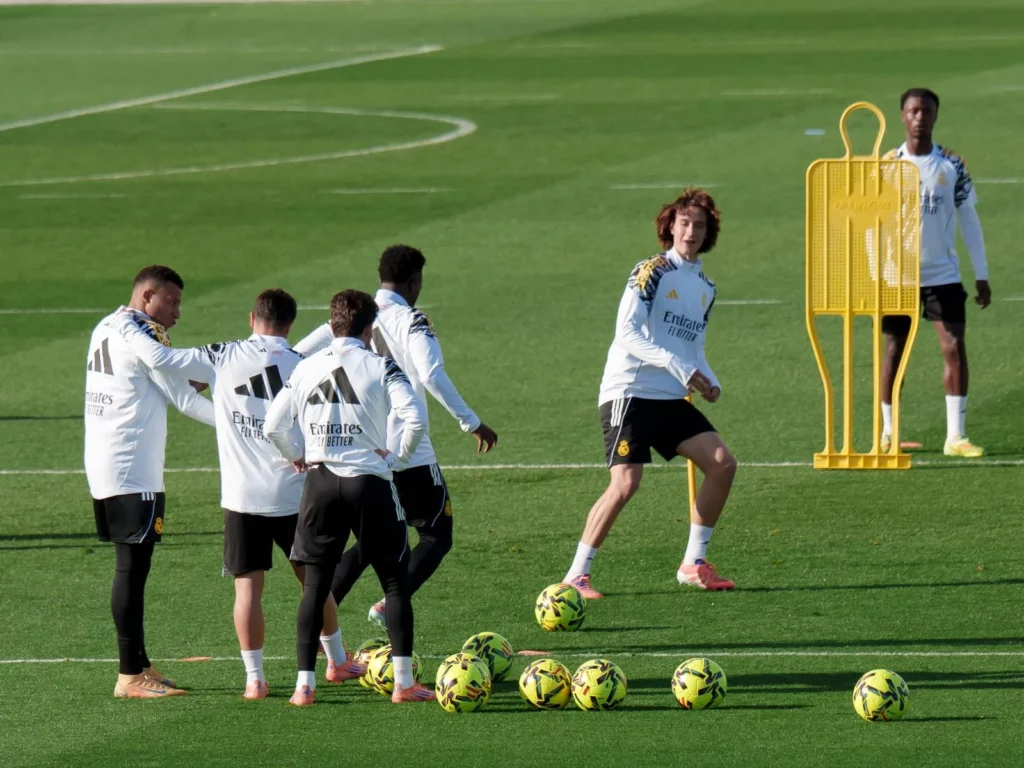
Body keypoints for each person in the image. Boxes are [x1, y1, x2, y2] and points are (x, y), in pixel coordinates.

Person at [148, 289, 358, 699]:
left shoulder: (222, 355)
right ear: (290, 324)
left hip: (242, 497)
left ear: (251, 318)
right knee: (314, 583)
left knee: (247, 590)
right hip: (296, 495)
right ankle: (337, 662)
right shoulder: (305, 365)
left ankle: (254, 680)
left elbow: (166, 364)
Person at [293, 245, 497, 628]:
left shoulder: (353, 317)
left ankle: (325, 616)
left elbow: (295, 355)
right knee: (436, 534)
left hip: (354, 449)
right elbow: (432, 374)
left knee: (372, 541)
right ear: (414, 281)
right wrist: (471, 421)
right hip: (406, 448)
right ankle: (390, 606)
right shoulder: (412, 320)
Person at [560, 188, 738, 600]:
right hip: (631, 390)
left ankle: (694, 564)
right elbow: (627, 334)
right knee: (625, 482)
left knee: (722, 464)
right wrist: (681, 369)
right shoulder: (651, 270)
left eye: (699, 225)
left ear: (708, 233)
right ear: (671, 226)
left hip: (670, 396)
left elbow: (693, 347)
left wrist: (709, 378)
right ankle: (576, 575)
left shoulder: (705, 287)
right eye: (685, 223)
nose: (691, 231)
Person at [265, 289, 433, 706]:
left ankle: (304, 686)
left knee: (315, 588)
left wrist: (297, 456)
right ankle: (404, 684)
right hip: (368, 482)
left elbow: (273, 424)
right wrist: (396, 458)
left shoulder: (305, 368)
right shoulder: (381, 366)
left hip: (320, 483)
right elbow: (413, 419)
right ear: (369, 327)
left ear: (333, 323)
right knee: (394, 582)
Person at [85, 265, 215, 698]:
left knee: (135, 567)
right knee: (131, 568)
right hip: (131, 465)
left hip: (109, 461)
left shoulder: (108, 324)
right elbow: (182, 398)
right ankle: (129, 676)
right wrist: (242, 428)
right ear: (146, 297)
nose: (177, 312)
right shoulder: (145, 332)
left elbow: (160, 386)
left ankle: (140, 662)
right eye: (171, 302)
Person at [880, 88, 991, 457]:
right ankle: (888, 432)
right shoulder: (887, 165)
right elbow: (869, 224)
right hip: (898, 276)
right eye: (913, 111)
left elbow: (969, 218)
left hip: (942, 275)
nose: (919, 117)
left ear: (935, 115)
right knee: (895, 351)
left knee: (954, 346)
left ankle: (955, 437)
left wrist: (982, 273)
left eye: (926, 111)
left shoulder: (951, 165)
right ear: (902, 116)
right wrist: (872, 272)